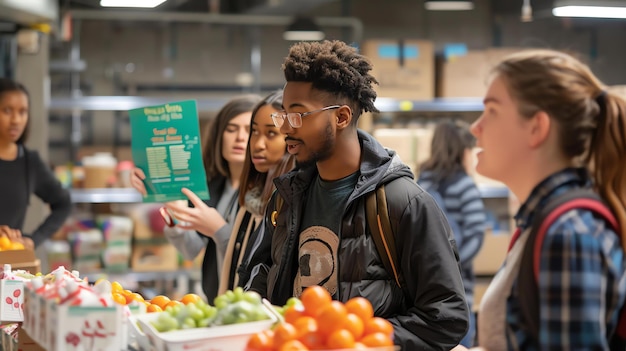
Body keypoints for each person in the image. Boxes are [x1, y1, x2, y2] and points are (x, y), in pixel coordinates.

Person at [248, 40, 469, 350]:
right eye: (283, 115)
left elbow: (447, 317)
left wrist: (353, 338)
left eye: (297, 115)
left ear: (341, 117)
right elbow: (260, 274)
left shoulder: (404, 204)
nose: (286, 129)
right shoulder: (286, 196)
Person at [457, 49, 626, 350]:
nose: (475, 127)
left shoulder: (569, 234)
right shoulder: (540, 223)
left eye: (492, 111)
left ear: (537, 128)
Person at [130, 95, 260, 301]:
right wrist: (174, 209)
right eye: (231, 129)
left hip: (249, 303)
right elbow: (191, 250)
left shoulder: (263, 191)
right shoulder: (215, 186)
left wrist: (219, 230)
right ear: (219, 136)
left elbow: (252, 261)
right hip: (217, 300)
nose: (240, 138)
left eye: (249, 130)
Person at [217, 90, 295, 294]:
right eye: (255, 131)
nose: (257, 144)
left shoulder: (288, 205)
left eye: (271, 133)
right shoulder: (249, 199)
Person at [417, 120, 487, 347]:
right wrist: (452, 265)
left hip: (423, 289)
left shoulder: (420, 183)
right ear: (462, 150)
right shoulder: (464, 185)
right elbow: (476, 234)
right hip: (459, 292)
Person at [0, 77, 71, 251]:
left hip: (9, 272)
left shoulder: (29, 163)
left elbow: (63, 204)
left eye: (22, 112)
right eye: (7, 110)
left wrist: (33, 240)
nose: (16, 120)